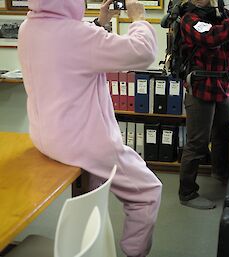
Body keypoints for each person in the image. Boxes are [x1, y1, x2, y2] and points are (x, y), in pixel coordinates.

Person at [18, 0, 162, 256]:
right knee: (149, 192)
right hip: (85, 141)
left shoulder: (28, 28)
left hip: (46, 137)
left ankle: (88, 245)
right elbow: (143, 52)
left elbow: (67, 48)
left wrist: (100, 22)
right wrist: (138, 17)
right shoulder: (78, 36)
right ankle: (134, 253)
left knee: (92, 190)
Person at [178, 0, 229, 209]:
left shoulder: (220, 15)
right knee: (197, 143)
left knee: (223, 133)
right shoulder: (189, 18)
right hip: (200, 87)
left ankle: (221, 173)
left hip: (222, 86)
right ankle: (187, 193)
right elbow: (212, 38)